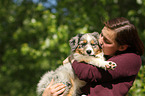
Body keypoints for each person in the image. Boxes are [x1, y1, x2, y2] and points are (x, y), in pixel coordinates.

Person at [42, 17, 144, 96]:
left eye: (106, 41)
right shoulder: (103, 54)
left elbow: (90, 73)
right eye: (101, 35)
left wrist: (72, 59)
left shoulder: (132, 58)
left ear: (122, 47)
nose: (99, 41)